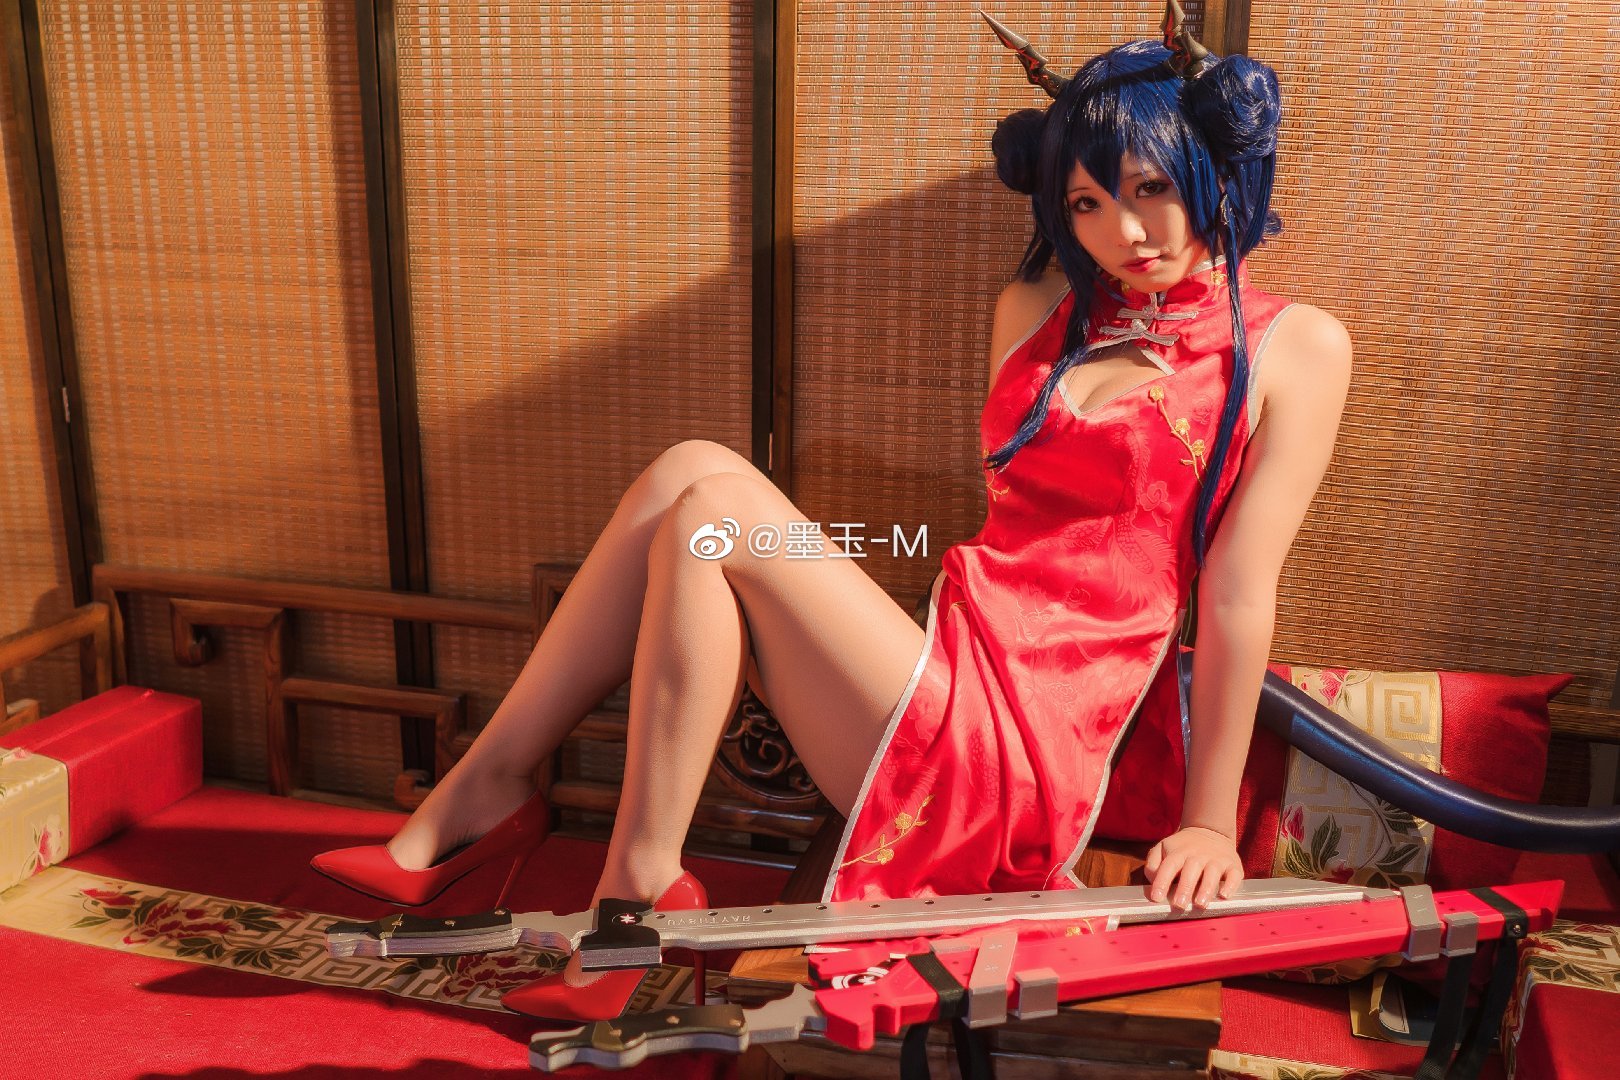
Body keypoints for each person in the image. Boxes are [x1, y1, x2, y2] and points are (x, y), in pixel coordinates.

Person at [310, 4, 1352, 1022]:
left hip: (1022, 753)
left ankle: (599, 872)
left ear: (1212, 164)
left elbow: (1235, 595)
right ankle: (509, 803)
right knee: (689, 476)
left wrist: (1208, 821)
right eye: (1084, 202)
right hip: (942, 660)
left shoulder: (1294, 348)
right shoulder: (1035, 310)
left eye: (1150, 187)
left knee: (713, 502)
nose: (1121, 230)